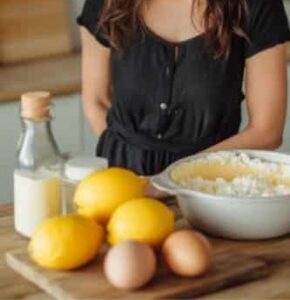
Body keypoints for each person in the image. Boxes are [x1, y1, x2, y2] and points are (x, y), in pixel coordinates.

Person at [77, 0, 290, 178]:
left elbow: (267, 132)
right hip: (123, 182)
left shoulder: (257, 5)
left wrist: (172, 181)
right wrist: (126, 164)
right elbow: (96, 101)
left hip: (209, 186)